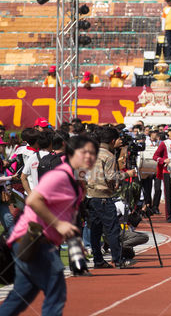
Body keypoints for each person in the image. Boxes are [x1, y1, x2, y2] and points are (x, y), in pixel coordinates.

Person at [0, 134, 96, 316]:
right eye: (85, 153)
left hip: (36, 239)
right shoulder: (60, 176)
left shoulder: (73, 181)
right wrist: (59, 225)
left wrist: (74, 242)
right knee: (55, 289)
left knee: (21, 296)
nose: (90, 158)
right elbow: (34, 200)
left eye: (93, 153)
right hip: (32, 238)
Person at [86, 125, 136, 269]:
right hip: (103, 197)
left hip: (90, 196)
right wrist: (127, 174)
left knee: (95, 230)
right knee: (112, 229)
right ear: (112, 141)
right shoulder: (108, 156)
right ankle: (117, 258)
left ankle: (98, 260)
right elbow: (111, 176)